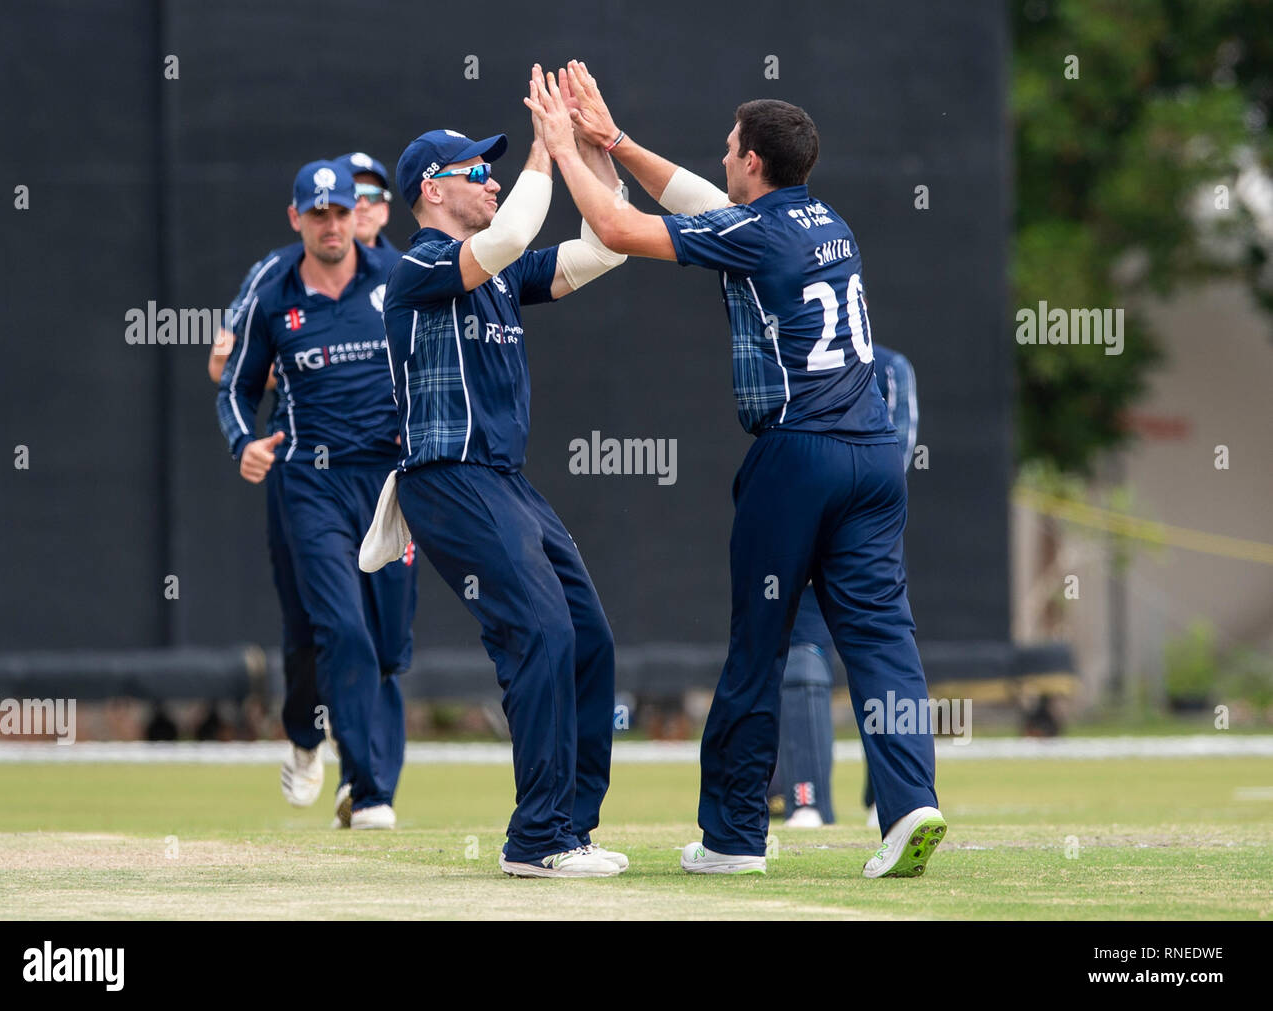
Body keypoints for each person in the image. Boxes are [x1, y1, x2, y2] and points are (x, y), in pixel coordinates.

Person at [527, 62, 945, 878]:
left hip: (800, 456)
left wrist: (562, 148)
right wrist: (612, 140)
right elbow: (697, 203)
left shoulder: (756, 231)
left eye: (728, 147)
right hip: (876, 455)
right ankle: (910, 805)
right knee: (885, 639)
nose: (721, 157)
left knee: (760, 644)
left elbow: (615, 228)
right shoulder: (827, 221)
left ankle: (732, 838)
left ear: (753, 161)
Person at [378, 69, 632, 878]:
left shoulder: (496, 272)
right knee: (542, 632)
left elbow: (606, 244)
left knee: (587, 636)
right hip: (447, 478)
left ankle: (571, 827)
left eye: (494, 169)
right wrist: (544, 151)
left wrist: (595, 152)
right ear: (431, 190)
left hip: (503, 480)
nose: (490, 180)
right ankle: (538, 840)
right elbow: (515, 235)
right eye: (473, 171)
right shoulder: (417, 266)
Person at [217, 160, 417, 830]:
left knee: (388, 646)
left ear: (366, 211)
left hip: (390, 483)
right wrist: (244, 441)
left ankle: (351, 763)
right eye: (319, 212)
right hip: (308, 480)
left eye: (344, 210)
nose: (334, 223)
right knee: (334, 628)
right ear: (297, 216)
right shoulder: (273, 286)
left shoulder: (398, 277)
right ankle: (367, 788)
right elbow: (231, 377)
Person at [772, 345, 918, 829]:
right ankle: (807, 801)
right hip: (815, 528)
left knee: (879, 653)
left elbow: (896, 455)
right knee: (805, 657)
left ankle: (893, 800)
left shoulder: (889, 368)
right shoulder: (786, 360)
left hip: (859, 535)